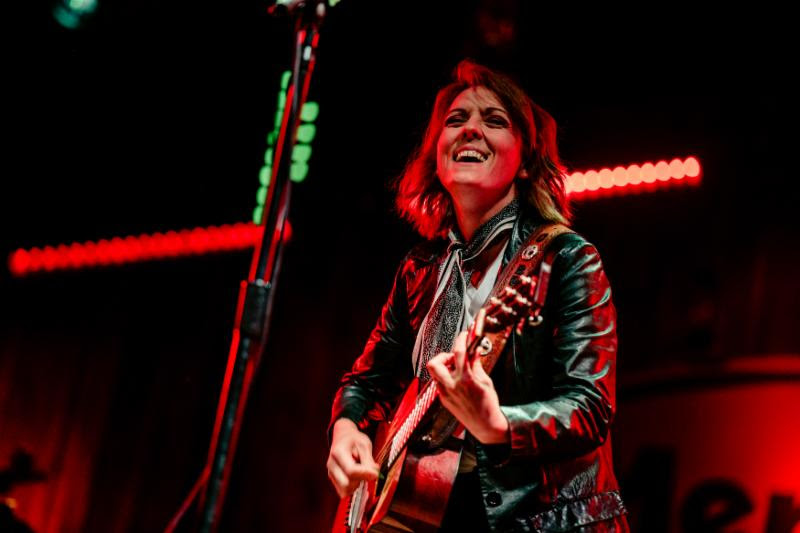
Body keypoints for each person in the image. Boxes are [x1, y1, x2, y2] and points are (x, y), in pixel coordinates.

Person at [326, 60, 629, 532]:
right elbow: (367, 380)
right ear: (437, 155)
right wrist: (346, 430)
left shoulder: (567, 258)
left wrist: (500, 424)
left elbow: (589, 406)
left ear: (526, 162)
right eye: (456, 120)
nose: (470, 129)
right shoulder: (420, 268)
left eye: (494, 121)